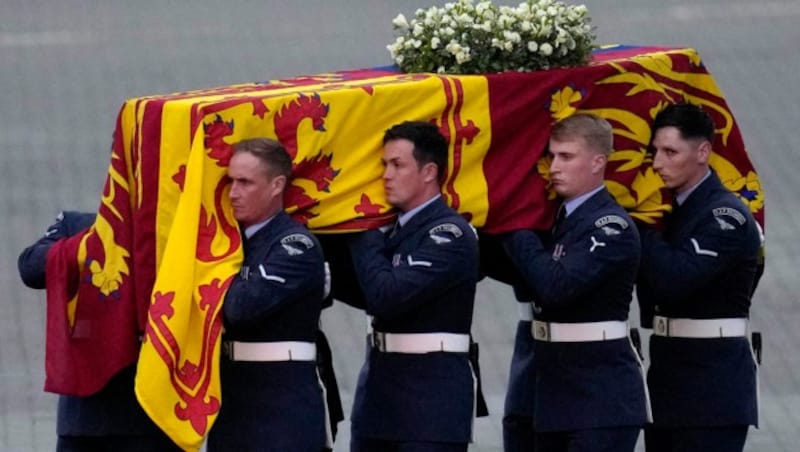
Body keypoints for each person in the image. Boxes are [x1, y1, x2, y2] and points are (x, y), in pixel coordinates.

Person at [500, 113, 650, 451]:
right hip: (548, 390)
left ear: (598, 162)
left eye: (566, 157)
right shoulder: (553, 219)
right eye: (551, 156)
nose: (553, 167)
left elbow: (555, 286)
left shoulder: (610, 226)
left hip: (599, 396)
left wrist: (513, 226)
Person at [347, 121, 480, 452]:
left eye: (398, 165)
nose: (386, 175)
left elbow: (385, 296)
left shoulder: (448, 233)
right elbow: (362, 289)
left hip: (428, 410)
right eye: (383, 165)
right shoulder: (392, 230)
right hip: (377, 403)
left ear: (428, 172)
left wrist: (359, 227)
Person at [637, 103, 762, 452]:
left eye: (670, 151)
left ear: (703, 152)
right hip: (668, 380)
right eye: (654, 152)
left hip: (712, 389)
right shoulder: (672, 208)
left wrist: (640, 230)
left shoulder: (725, 216)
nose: (658, 164)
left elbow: (675, 279)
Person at [18, 211, 181, 452]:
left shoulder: (175, 234)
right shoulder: (77, 224)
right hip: (82, 422)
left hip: (150, 422)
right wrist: (93, 242)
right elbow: (30, 268)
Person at [206, 138, 329, 452]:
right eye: (231, 182)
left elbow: (240, 307)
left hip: (281, 412)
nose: (233, 193)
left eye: (245, 183)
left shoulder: (294, 246)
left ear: (277, 186)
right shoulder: (227, 240)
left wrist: (209, 273)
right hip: (232, 407)